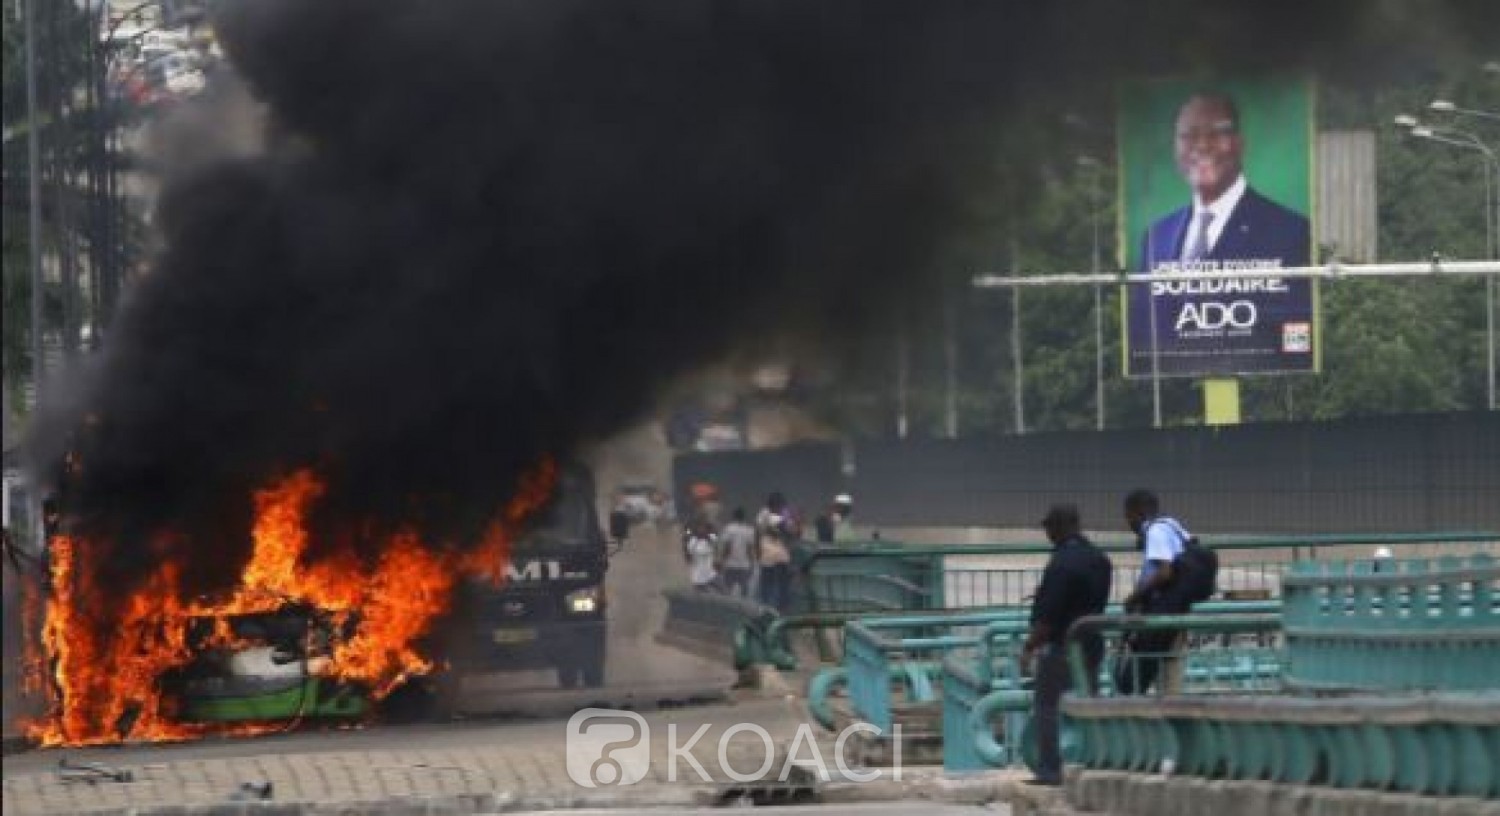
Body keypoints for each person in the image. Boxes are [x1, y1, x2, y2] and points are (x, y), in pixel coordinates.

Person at [1138, 92, 1310, 273]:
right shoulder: (1156, 238)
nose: (1203, 146)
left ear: (1240, 143)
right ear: (1175, 147)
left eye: (1217, 134)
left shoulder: (1288, 231)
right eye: (1189, 135)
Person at [1020, 504, 1113, 787]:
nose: (1047, 533)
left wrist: (1029, 648)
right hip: (1092, 641)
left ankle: (1050, 769)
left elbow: (1049, 617)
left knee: (1047, 705)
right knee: (1089, 704)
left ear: (1058, 526)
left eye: (1048, 527)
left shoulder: (1061, 563)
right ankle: (1098, 764)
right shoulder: (1100, 559)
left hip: (1062, 644)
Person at [1118, 489, 1196, 695]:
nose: (1129, 524)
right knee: (1169, 666)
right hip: (1178, 608)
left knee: (1161, 671)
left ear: (1138, 513)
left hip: (1163, 611)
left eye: (1128, 517)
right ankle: (1168, 711)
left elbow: (1164, 572)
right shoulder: (1172, 525)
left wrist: (1134, 597)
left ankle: (1168, 715)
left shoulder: (1155, 532)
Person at [755, 492, 797, 611]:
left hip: (780, 556)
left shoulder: (782, 514)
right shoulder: (765, 514)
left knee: (780, 586)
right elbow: (758, 533)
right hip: (769, 556)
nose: (779, 508)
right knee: (769, 586)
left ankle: (778, 609)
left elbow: (791, 534)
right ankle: (768, 609)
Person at [717, 508, 757, 597]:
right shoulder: (749, 530)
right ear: (744, 518)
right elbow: (749, 549)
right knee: (744, 591)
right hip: (744, 565)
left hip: (730, 565)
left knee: (727, 591)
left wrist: (721, 561)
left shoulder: (728, 529)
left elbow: (727, 547)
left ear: (733, 517)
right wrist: (752, 564)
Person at [683, 520, 720, 592]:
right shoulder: (693, 542)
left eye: (704, 528)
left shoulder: (711, 538)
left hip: (712, 575)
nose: (702, 530)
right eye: (700, 528)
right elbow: (688, 558)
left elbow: (716, 541)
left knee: (723, 590)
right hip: (698, 578)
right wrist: (686, 536)